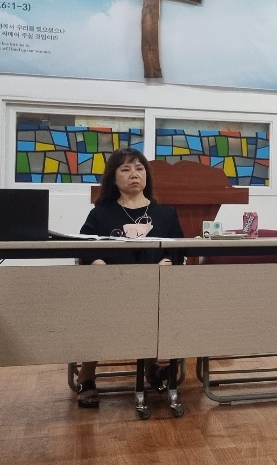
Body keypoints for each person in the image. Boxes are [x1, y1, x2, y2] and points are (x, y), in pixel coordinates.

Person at [74, 148, 184, 408]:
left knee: (163, 305)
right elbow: (83, 247)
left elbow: (179, 248)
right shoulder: (101, 213)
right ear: (113, 178)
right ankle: (87, 376)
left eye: (139, 168)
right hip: (111, 288)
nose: (134, 174)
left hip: (155, 287)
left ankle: (152, 366)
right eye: (125, 169)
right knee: (96, 307)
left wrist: (169, 260)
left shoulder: (165, 214)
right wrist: (96, 261)